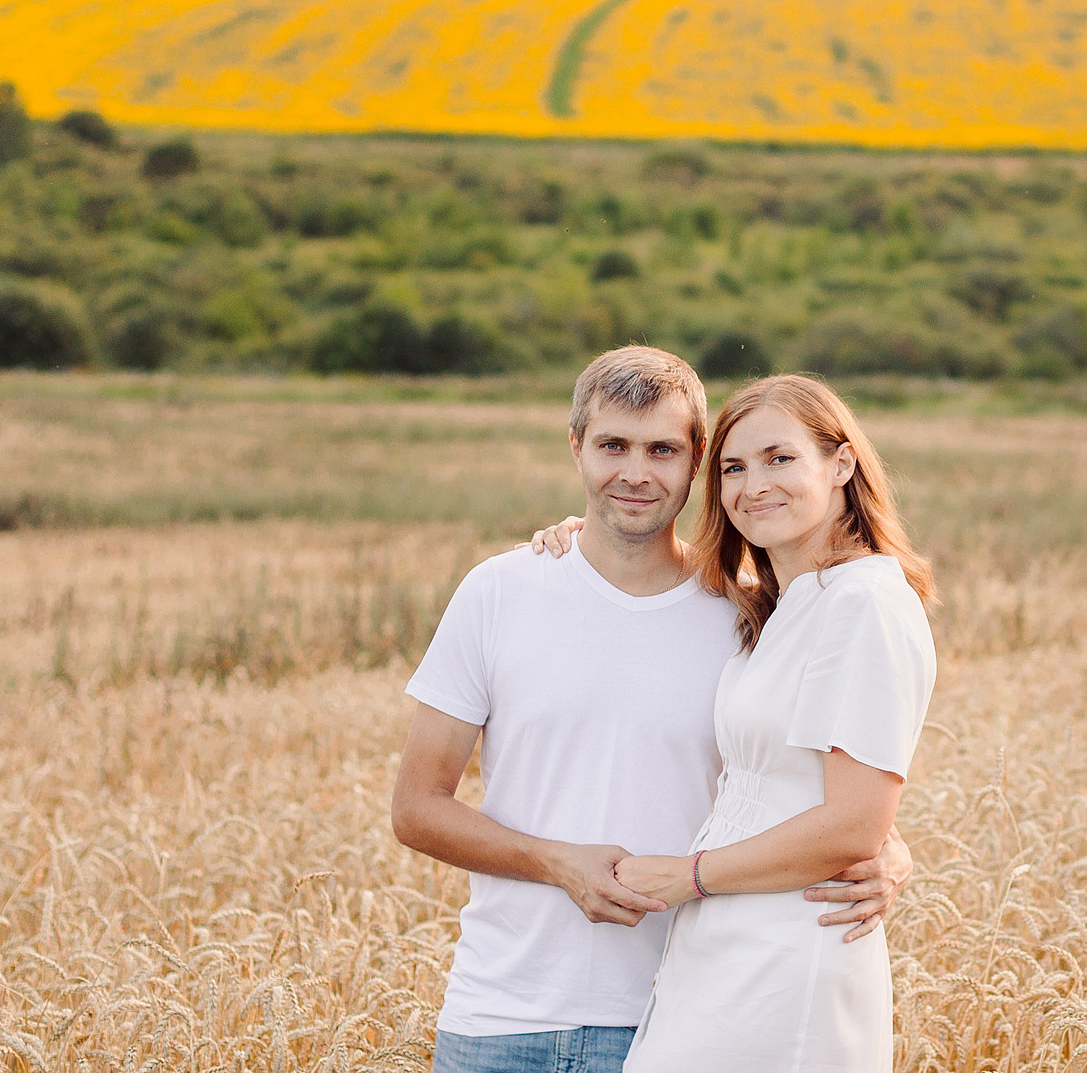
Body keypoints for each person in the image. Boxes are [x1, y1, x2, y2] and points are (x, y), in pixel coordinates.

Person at [391, 347, 912, 1073]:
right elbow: (416, 806)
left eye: (663, 449)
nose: (635, 473)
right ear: (576, 447)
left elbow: (817, 770)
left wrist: (884, 845)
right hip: (502, 1016)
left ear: (696, 460)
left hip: (679, 1014)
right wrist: (556, 862)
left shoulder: (749, 610)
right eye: (613, 445)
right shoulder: (501, 590)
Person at [530, 373, 937, 1073]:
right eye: (733, 467)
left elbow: (854, 824)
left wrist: (686, 876)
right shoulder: (786, 606)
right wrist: (582, 536)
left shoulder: (866, 600)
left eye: (780, 458)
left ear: (841, 463)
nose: (755, 485)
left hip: (785, 949)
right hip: (723, 944)